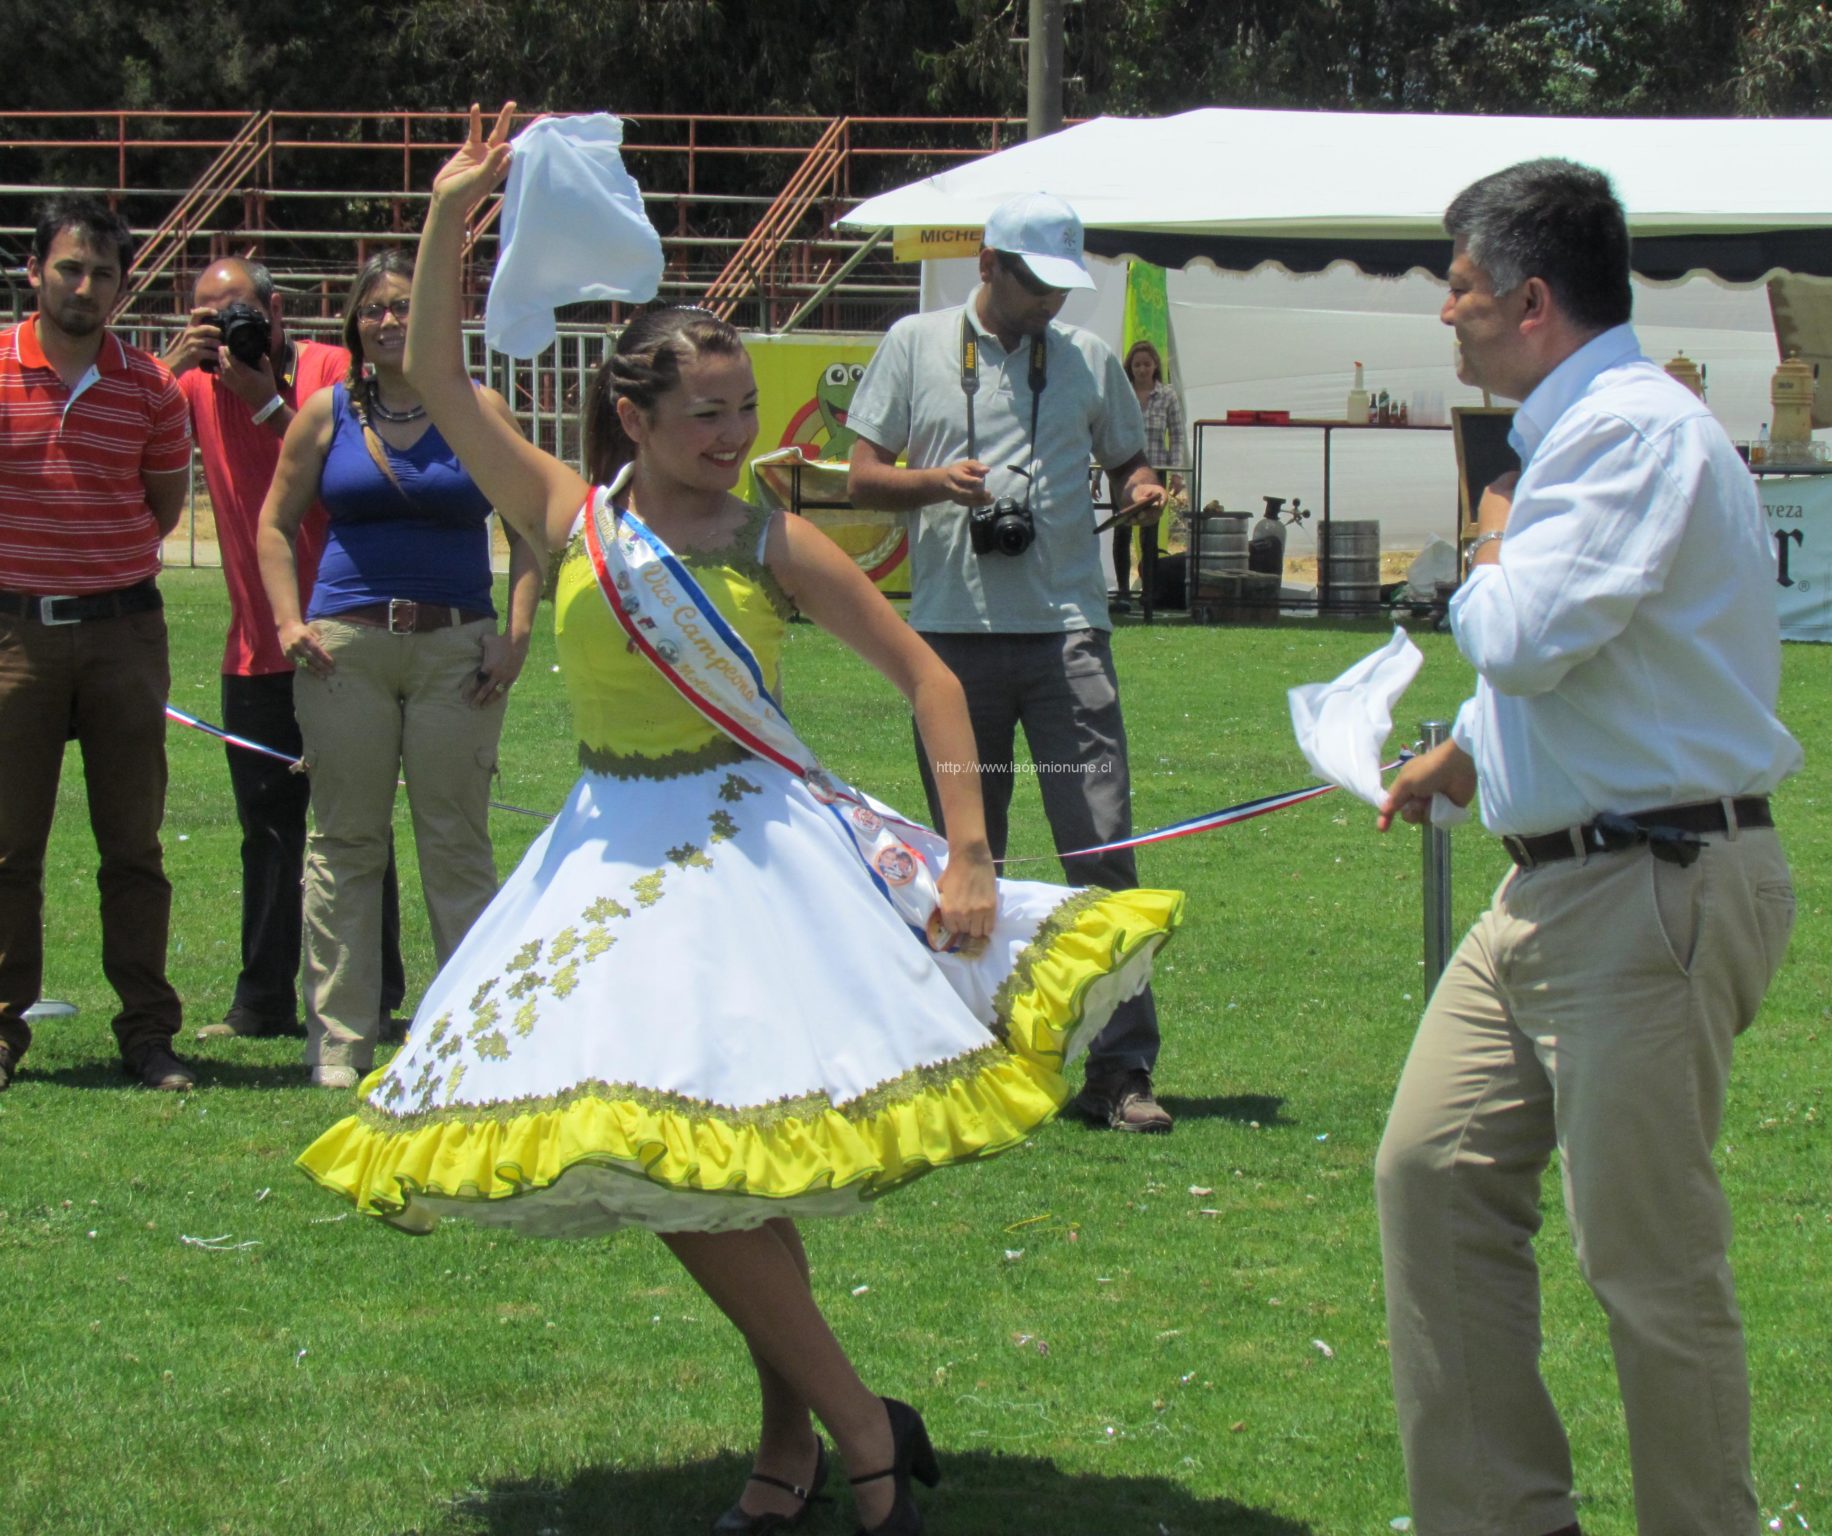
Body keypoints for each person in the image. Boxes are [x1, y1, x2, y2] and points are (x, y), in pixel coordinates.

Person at [297, 105, 1181, 1536]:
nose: (731, 434)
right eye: (700, 414)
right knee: (687, 1159)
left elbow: (929, 677)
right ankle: (844, 1426)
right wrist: (456, 210)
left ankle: (824, 1442)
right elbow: (438, 370)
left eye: (739, 410)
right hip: (603, 868)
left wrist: (968, 856)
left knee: (723, 1155)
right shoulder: (564, 511)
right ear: (631, 418)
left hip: (749, 862)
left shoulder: (773, 533)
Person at [1373, 158, 1803, 1536]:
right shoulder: (1601, 432)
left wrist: (1484, 534)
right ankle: (1502, 1516)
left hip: (1650, 886)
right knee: (1430, 1173)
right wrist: (1472, 756)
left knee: (1650, 1270)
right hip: (1561, 885)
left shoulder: (1626, 433)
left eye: (1460, 293)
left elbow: (1527, 633)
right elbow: (1601, 673)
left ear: (1533, 300)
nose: (1449, 319)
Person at [844, 191, 1176, 1133]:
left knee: (1100, 849)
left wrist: (1142, 485)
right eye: (1038, 285)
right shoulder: (913, 343)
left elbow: (1127, 459)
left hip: (1069, 635)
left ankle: (1121, 1071)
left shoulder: (1087, 360)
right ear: (989, 264)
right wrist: (933, 484)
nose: (1053, 306)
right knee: (964, 861)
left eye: (1065, 287)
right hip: (949, 647)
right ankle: (971, 1060)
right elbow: (862, 473)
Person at [255, 250, 543, 1088]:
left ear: (434, 323)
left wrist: (516, 635)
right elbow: (276, 526)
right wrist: (285, 622)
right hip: (345, 649)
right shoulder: (323, 413)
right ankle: (339, 1043)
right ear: (355, 323)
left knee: (456, 841)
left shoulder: (479, 411)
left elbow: (531, 524)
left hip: (459, 647)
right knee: (344, 839)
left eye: (405, 307)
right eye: (374, 307)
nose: (389, 320)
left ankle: (465, 1031)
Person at [160, 258, 407, 1042]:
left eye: (236, 314)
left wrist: (264, 401)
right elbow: (133, 425)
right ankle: (260, 1002)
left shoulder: (334, 369)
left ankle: (375, 995)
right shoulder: (196, 383)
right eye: (208, 316)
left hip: (344, 633)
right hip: (255, 646)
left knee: (354, 822)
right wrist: (172, 362)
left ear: (275, 314)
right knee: (266, 833)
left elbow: (349, 463)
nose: (226, 331)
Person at [0, 196, 195, 1093]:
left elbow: (160, 508)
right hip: (14, 637)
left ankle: (148, 1036)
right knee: (8, 850)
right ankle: (4, 1033)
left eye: (104, 273)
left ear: (121, 284)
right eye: (70, 268)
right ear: (35, 271)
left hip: (122, 629)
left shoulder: (151, 387)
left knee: (133, 845)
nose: (86, 286)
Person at [1112, 339, 1183, 610]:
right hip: (1121, 471)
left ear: (1155, 366)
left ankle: (1149, 592)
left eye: (1147, 364)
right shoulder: (1121, 393)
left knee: (1149, 532)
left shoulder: (1167, 395)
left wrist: (1177, 473)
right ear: (1130, 367)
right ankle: (1121, 592)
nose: (1142, 369)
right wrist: (1096, 475)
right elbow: (1106, 432)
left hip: (1155, 472)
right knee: (1122, 531)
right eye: (1137, 364)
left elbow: (1176, 435)